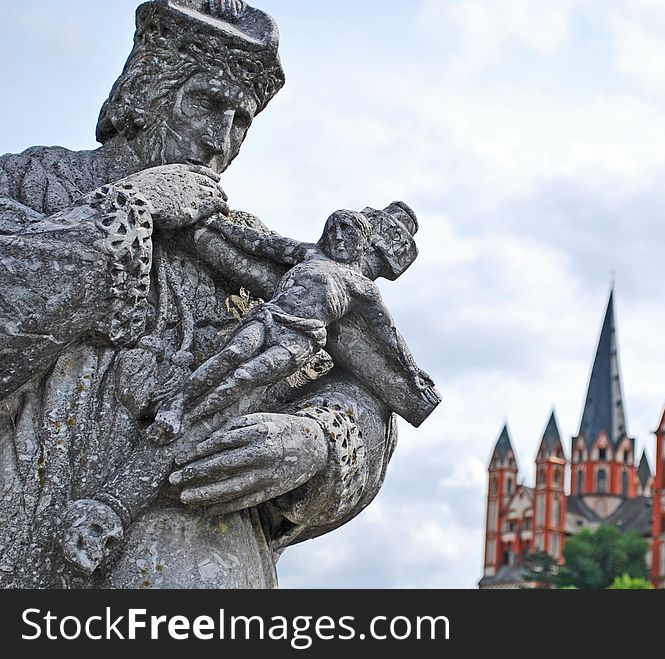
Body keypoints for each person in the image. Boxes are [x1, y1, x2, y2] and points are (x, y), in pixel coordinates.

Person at [0, 0, 438, 588]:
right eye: (205, 103)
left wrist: (314, 443)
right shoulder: (30, 187)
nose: (218, 139)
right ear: (142, 95)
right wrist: (138, 207)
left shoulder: (249, 248)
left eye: (241, 121)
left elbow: (363, 384)